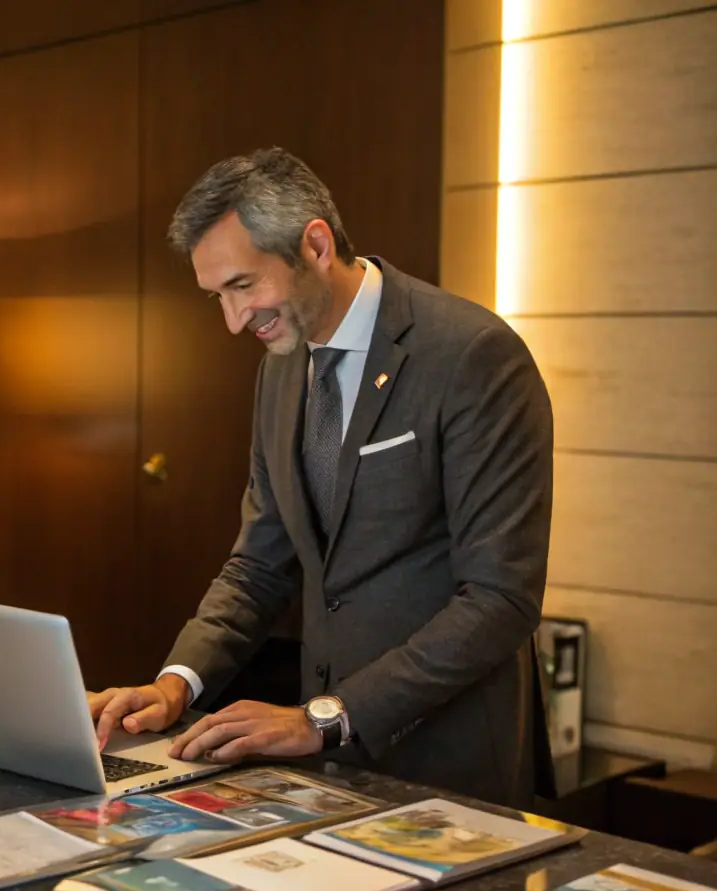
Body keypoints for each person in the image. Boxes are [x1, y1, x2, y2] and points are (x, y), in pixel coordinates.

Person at [88, 148, 553, 807]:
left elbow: (498, 600)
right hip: (329, 774)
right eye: (216, 295)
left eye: (243, 286)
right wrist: (175, 684)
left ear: (313, 243)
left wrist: (322, 718)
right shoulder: (281, 364)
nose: (231, 320)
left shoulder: (471, 355)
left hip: (447, 767)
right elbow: (259, 564)